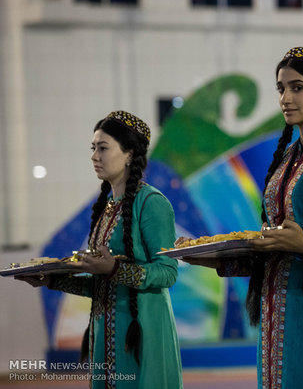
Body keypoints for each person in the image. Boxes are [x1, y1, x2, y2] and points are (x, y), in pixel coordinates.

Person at [182, 46, 303, 388]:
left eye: (297, 87)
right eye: (281, 88)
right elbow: (274, 256)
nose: (285, 97)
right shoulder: (288, 158)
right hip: (275, 318)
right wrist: (205, 257)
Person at [18, 111, 184, 388]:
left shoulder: (152, 203)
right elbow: (102, 286)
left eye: (103, 148)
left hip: (143, 333)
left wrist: (116, 268)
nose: (95, 156)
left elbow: (168, 273)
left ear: (129, 153)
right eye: (93, 148)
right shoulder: (107, 209)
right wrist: (53, 280)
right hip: (106, 334)